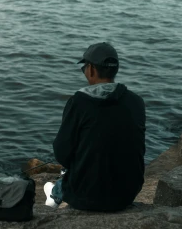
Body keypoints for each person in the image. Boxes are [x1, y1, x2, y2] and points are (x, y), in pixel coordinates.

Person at [44, 42, 146, 211]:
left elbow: (61, 154)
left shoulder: (79, 102)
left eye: (84, 67)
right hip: (127, 194)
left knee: (73, 165)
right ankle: (56, 191)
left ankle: (55, 194)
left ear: (91, 69)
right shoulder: (136, 101)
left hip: (86, 197)